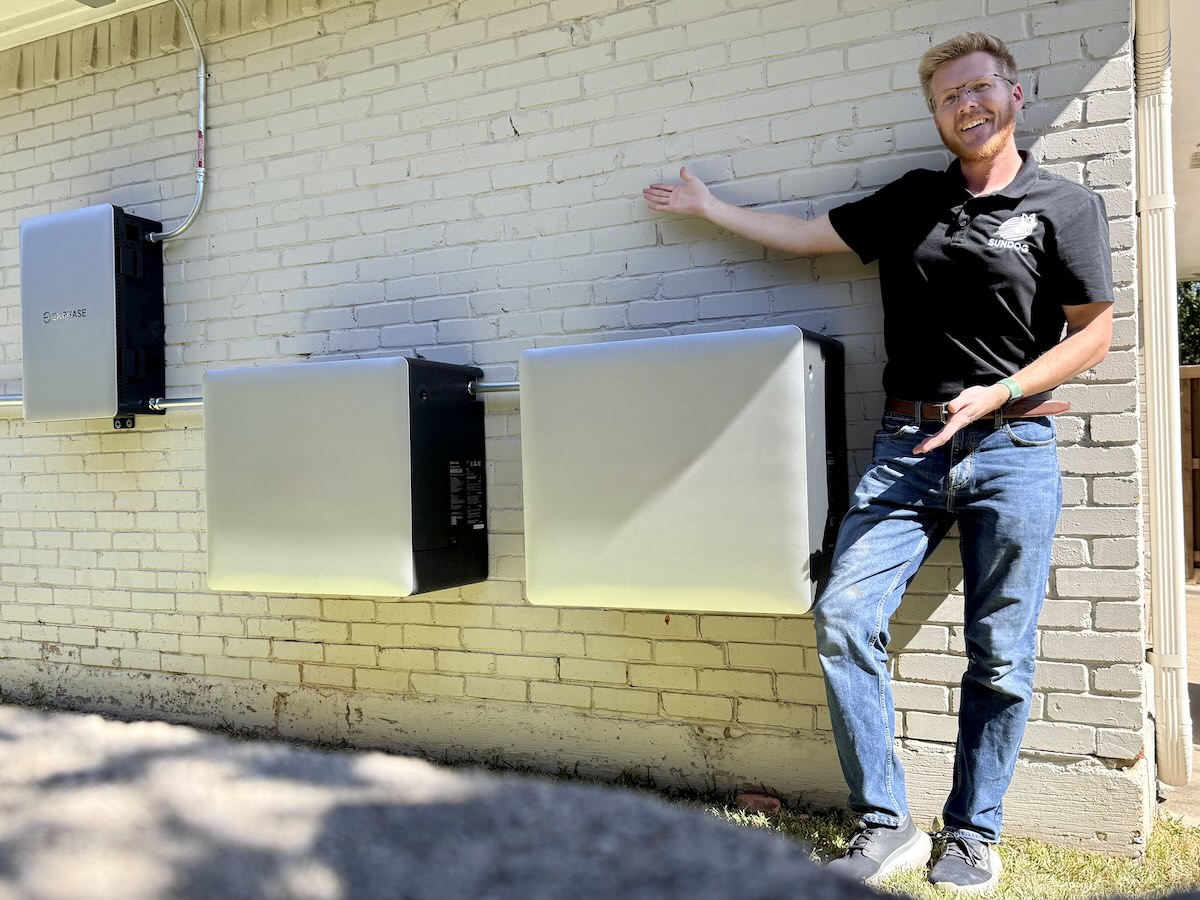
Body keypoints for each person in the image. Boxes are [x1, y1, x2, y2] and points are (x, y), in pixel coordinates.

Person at [643, 32, 1113, 894]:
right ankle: (885, 821)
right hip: (908, 446)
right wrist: (712, 209)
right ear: (937, 116)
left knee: (1000, 652)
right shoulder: (914, 200)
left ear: (1015, 93)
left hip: (1014, 447)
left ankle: (973, 832)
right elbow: (804, 236)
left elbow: (1094, 333)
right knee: (844, 615)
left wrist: (1003, 391)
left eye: (978, 87)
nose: (965, 105)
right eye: (947, 97)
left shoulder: (1064, 205)